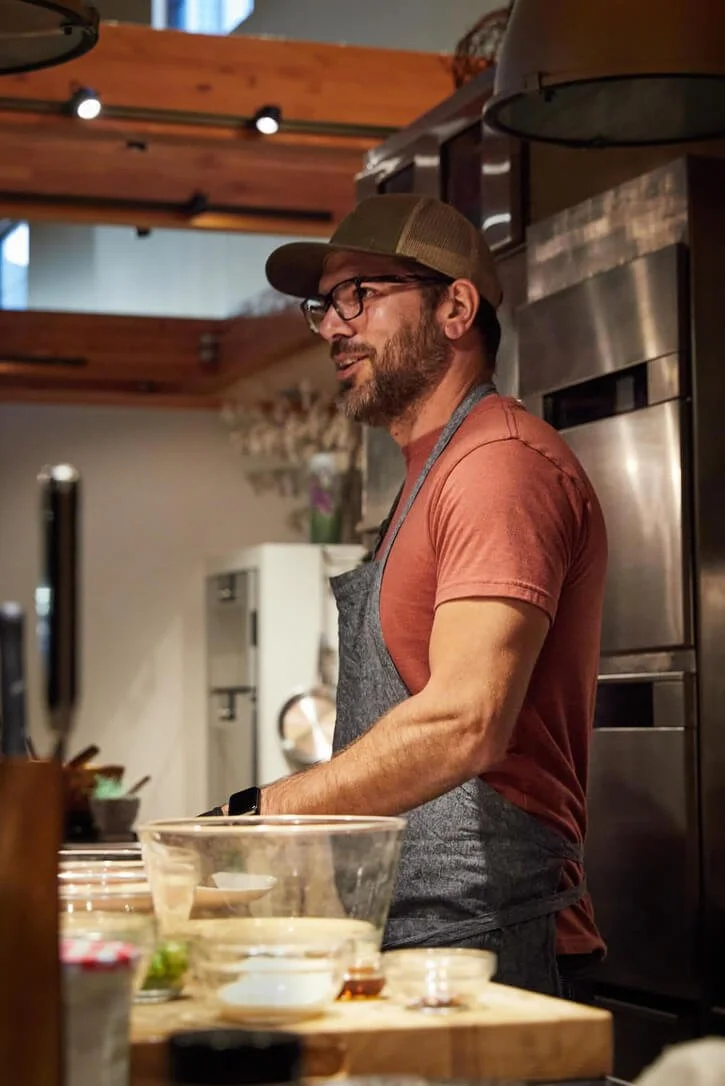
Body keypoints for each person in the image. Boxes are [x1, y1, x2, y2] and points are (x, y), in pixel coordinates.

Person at [211, 193, 608, 997]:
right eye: (324, 305)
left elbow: (463, 722)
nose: (331, 327)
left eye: (359, 294)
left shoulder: (497, 466)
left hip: (489, 938)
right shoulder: (430, 474)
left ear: (455, 307)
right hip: (420, 932)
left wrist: (255, 819)